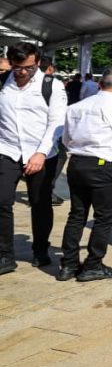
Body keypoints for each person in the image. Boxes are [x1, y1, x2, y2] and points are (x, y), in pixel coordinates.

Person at [58, 67, 112, 282]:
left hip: (77, 162)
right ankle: (93, 264)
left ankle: (68, 264)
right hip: (101, 165)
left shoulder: (75, 107)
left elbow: (66, 139)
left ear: (100, 84)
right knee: (104, 217)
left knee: (77, 214)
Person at [0, 43, 68, 274]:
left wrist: (41, 153)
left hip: (42, 152)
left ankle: (40, 249)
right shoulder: (3, 83)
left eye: (28, 67)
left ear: (37, 63)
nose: (22, 72)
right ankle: (5, 255)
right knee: (1, 201)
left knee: (40, 203)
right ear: (11, 63)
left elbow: (57, 122)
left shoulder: (52, 86)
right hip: (7, 150)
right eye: (17, 67)